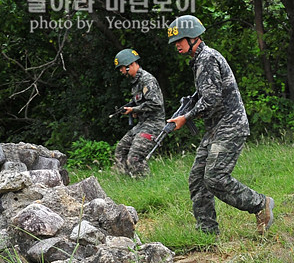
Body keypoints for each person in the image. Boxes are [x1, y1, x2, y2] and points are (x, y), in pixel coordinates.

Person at [165, 14, 275, 235]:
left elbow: (211, 99)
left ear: (193, 37)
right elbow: (204, 95)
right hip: (216, 128)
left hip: (230, 126)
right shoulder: (199, 60)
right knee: (197, 179)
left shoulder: (206, 58)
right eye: (175, 42)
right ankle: (207, 232)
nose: (177, 45)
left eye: (180, 40)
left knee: (214, 177)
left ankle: (260, 204)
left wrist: (185, 118)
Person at [112, 49, 165, 177]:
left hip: (154, 125)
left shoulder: (147, 80)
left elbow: (156, 103)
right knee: (120, 151)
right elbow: (141, 103)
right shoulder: (135, 83)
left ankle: (145, 184)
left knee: (134, 158)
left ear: (130, 65)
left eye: (122, 68)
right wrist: (134, 111)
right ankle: (126, 183)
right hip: (142, 124)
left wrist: (135, 109)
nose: (121, 71)